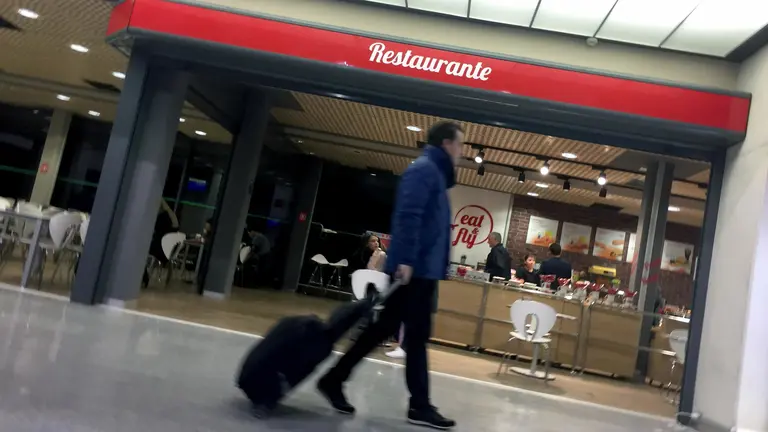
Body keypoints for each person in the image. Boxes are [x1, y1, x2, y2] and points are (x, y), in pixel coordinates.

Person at [317, 121, 462, 430]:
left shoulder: (434, 173)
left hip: (422, 269)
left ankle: (334, 379)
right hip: (415, 270)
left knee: (384, 329)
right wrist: (406, 259)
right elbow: (408, 215)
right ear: (447, 144)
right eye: (459, 146)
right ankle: (419, 406)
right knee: (415, 336)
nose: (461, 153)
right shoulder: (424, 170)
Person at [142, 198, 179, 287]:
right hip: (166, 251)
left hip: (158, 249)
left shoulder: (160, 219)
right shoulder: (173, 222)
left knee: (139, 253)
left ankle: (144, 276)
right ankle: (144, 277)